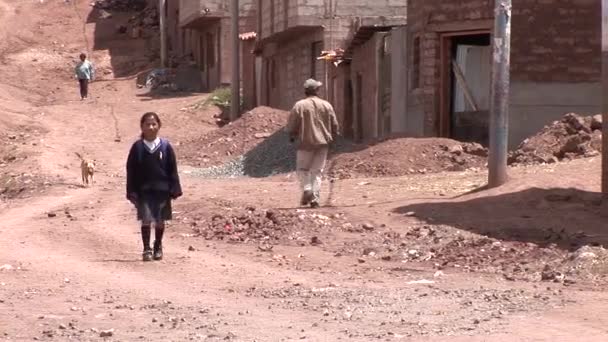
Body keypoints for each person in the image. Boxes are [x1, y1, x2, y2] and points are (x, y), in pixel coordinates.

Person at [126, 112, 182, 262]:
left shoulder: (165, 146)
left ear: (159, 126)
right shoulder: (137, 148)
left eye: (153, 124)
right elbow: (131, 171)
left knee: (160, 220)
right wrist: (131, 191)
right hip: (144, 190)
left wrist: (174, 188)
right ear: (142, 127)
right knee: (146, 219)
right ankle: (146, 249)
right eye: (147, 124)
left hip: (162, 190)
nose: (151, 127)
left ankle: (158, 246)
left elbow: (172, 169)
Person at [286, 78, 339, 208]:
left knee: (302, 170)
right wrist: (334, 139)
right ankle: (315, 199)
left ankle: (307, 189)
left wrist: (292, 135)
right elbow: (335, 125)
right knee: (317, 171)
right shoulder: (327, 105)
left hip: (305, 143)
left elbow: (292, 125)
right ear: (317, 90)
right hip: (323, 144)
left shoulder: (299, 105)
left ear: (305, 91)